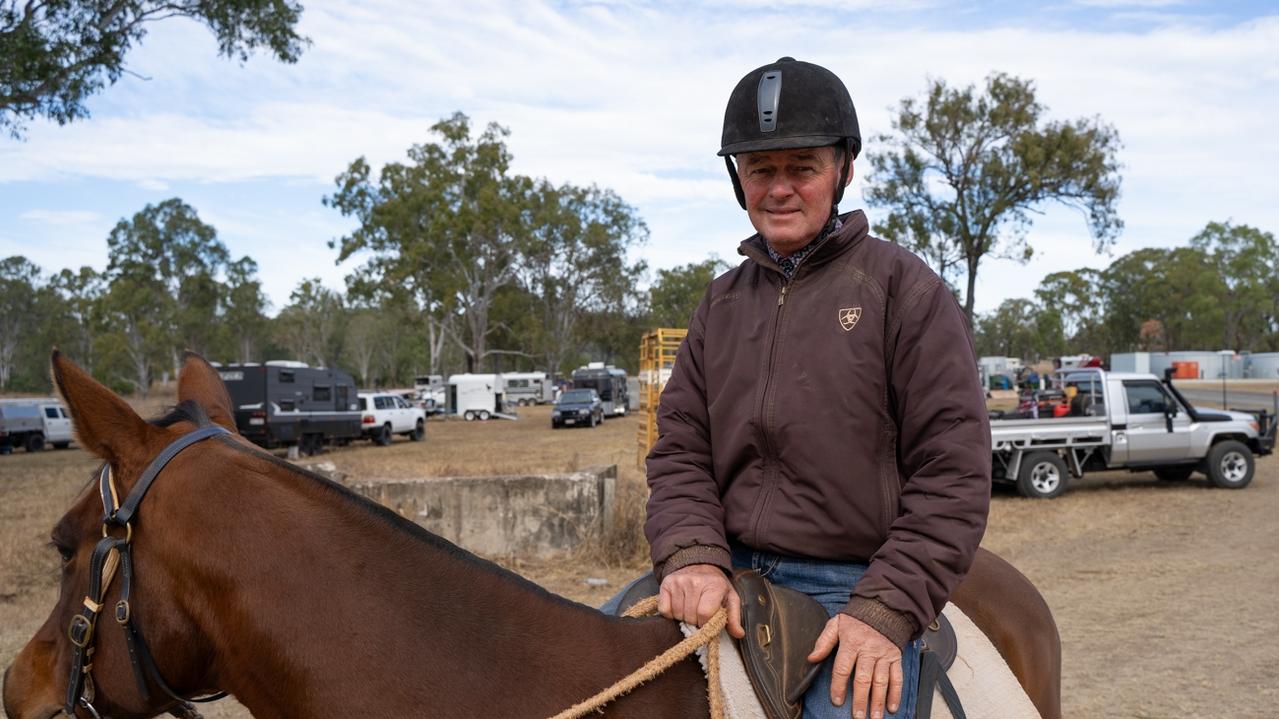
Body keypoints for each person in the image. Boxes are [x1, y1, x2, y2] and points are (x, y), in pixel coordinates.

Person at [643, 58, 992, 719]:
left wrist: (885, 607)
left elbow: (954, 471)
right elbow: (680, 449)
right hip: (725, 564)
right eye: (759, 169)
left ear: (842, 171)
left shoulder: (904, 291)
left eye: (800, 167)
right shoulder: (719, 305)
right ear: (736, 178)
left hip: (850, 580)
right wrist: (690, 553)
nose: (778, 188)